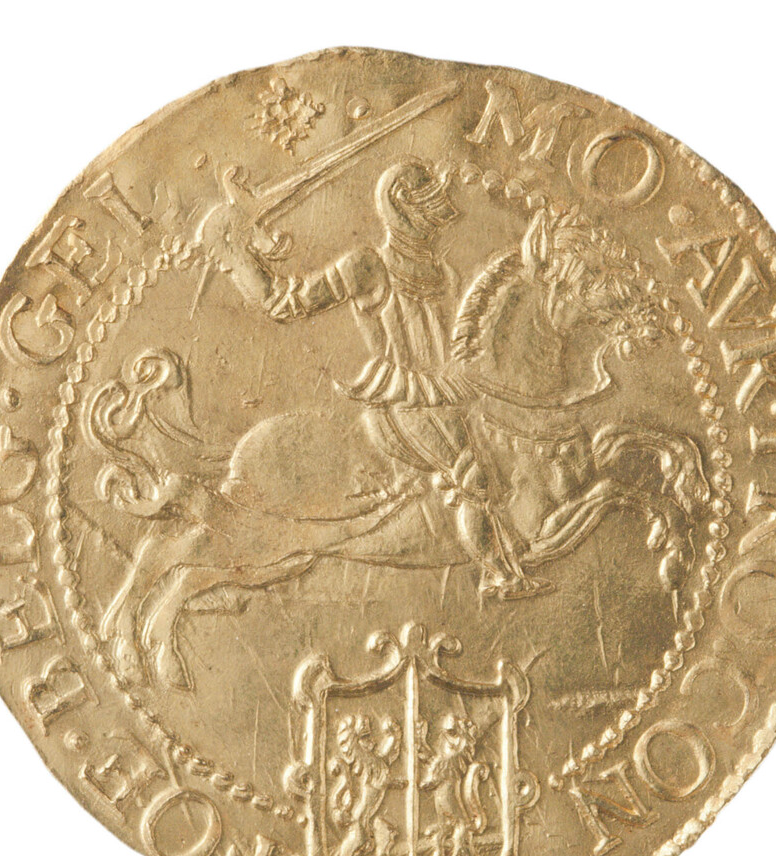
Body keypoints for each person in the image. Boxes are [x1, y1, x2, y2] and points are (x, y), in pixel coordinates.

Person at [200, 156, 551, 600]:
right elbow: (286, 303)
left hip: (444, 392)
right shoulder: (366, 264)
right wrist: (236, 253)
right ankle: (498, 577)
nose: (440, 213)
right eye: (428, 203)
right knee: (473, 478)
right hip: (401, 400)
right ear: (403, 206)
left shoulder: (442, 271)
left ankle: (513, 549)